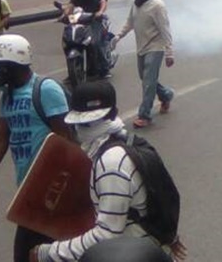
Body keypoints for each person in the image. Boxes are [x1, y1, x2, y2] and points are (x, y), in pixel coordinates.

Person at [30, 80, 185, 262]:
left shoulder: (111, 162)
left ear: (113, 114)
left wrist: (49, 252)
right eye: (82, 124)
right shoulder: (128, 142)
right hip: (148, 248)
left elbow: (107, 235)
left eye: (90, 123)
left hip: (133, 254)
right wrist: (169, 236)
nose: (83, 129)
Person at [0, 34, 70, 262]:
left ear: (13, 65)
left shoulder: (46, 90)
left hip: (51, 193)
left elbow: (65, 142)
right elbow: (0, 141)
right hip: (27, 192)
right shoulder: (8, 96)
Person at [113, 0, 174, 129]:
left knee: (148, 81)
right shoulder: (136, 3)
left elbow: (165, 29)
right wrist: (118, 36)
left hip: (156, 46)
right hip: (141, 47)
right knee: (146, 78)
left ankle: (144, 115)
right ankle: (166, 95)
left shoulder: (157, 6)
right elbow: (130, 22)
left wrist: (169, 52)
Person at [61, 0, 111, 81]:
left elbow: (103, 2)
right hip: (80, 22)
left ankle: (104, 68)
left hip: (94, 21)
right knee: (69, 41)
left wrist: (100, 12)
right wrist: (64, 15)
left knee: (95, 44)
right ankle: (72, 71)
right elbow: (70, 6)